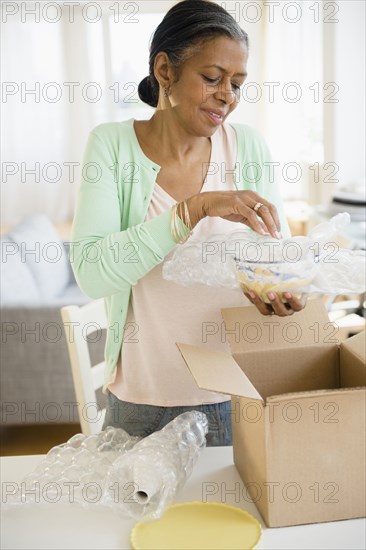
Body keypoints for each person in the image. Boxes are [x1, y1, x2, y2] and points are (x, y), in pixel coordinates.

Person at [70, 0, 306, 446]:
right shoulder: (112, 146)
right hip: (142, 402)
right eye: (212, 78)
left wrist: (275, 286)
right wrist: (190, 211)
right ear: (165, 70)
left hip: (238, 397)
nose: (227, 96)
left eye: (237, 84)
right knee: (138, 517)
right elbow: (92, 272)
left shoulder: (248, 147)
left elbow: (276, 258)